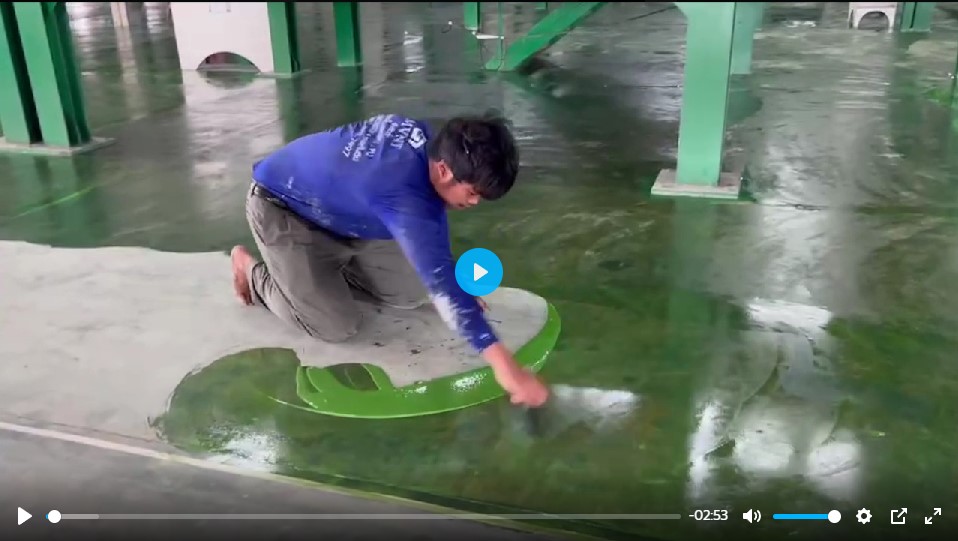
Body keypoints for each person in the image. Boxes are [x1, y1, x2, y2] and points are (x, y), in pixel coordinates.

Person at [230, 112, 549, 408]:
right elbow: (438, 276)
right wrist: (507, 368)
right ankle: (253, 272)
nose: (476, 202)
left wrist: (448, 281)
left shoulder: (434, 147)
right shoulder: (402, 192)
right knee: (336, 326)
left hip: (347, 217)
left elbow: (430, 240)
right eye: (473, 192)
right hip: (284, 208)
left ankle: (325, 274)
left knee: (408, 293)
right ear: (444, 170)